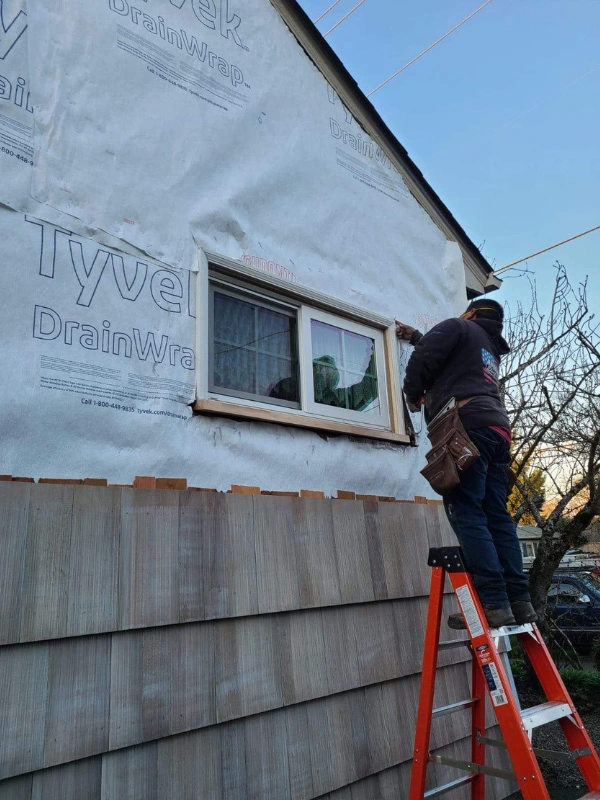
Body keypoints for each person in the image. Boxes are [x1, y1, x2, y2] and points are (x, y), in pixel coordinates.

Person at [397, 298, 537, 629]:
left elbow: (426, 358)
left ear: (471, 314)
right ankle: (518, 601)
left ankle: (492, 602)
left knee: (467, 511)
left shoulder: (459, 326)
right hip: (497, 431)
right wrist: (418, 334)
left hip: (468, 425)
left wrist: (412, 393)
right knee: (497, 516)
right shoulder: (488, 349)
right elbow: (447, 359)